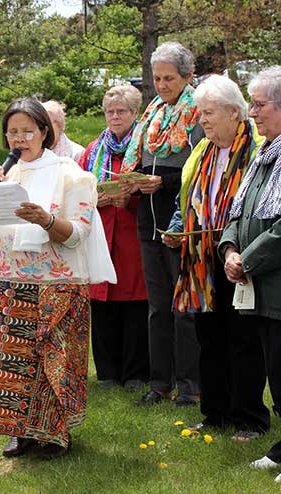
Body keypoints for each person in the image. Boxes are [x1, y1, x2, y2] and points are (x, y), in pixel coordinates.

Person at [0, 97, 115, 459]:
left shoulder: (72, 174)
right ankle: (19, 431)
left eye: (27, 131)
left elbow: (77, 234)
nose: (20, 139)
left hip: (57, 283)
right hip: (4, 279)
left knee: (55, 359)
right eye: (12, 133)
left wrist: (46, 220)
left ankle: (55, 432)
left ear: (44, 132)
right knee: (12, 360)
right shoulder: (3, 174)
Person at [164, 75, 268, 442]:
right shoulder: (203, 149)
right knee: (208, 336)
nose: (202, 120)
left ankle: (250, 418)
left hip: (240, 252)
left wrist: (236, 248)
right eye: (199, 113)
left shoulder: (257, 148)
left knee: (243, 338)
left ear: (233, 112)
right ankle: (216, 413)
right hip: (200, 255)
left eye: (208, 113)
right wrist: (178, 228)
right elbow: (188, 196)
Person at [121, 41, 203, 407]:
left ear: (187, 76)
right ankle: (159, 383)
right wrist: (130, 181)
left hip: (180, 220)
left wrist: (164, 183)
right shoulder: (152, 113)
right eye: (157, 78)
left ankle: (190, 386)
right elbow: (142, 163)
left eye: (170, 77)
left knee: (183, 308)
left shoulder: (197, 112)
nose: (163, 85)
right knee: (157, 308)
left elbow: (199, 169)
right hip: (148, 220)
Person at [219, 67, 281, 475]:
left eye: (258, 104)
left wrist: (249, 258)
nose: (252, 112)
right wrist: (229, 249)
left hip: (274, 283)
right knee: (275, 371)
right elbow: (237, 213)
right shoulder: (264, 155)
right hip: (261, 286)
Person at [78, 85, 149, 390]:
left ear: (135, 113)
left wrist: (130, 197)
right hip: (102, 232)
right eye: (110, 111)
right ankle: (107, 372)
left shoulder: (146, 146)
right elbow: (79, 190)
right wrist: (99, 198)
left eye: (122, 111)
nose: (115, 116)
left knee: (135, 303)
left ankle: (135, 373)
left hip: (133, 234)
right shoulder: (94, 149)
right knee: (102, 301)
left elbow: (153, 187)